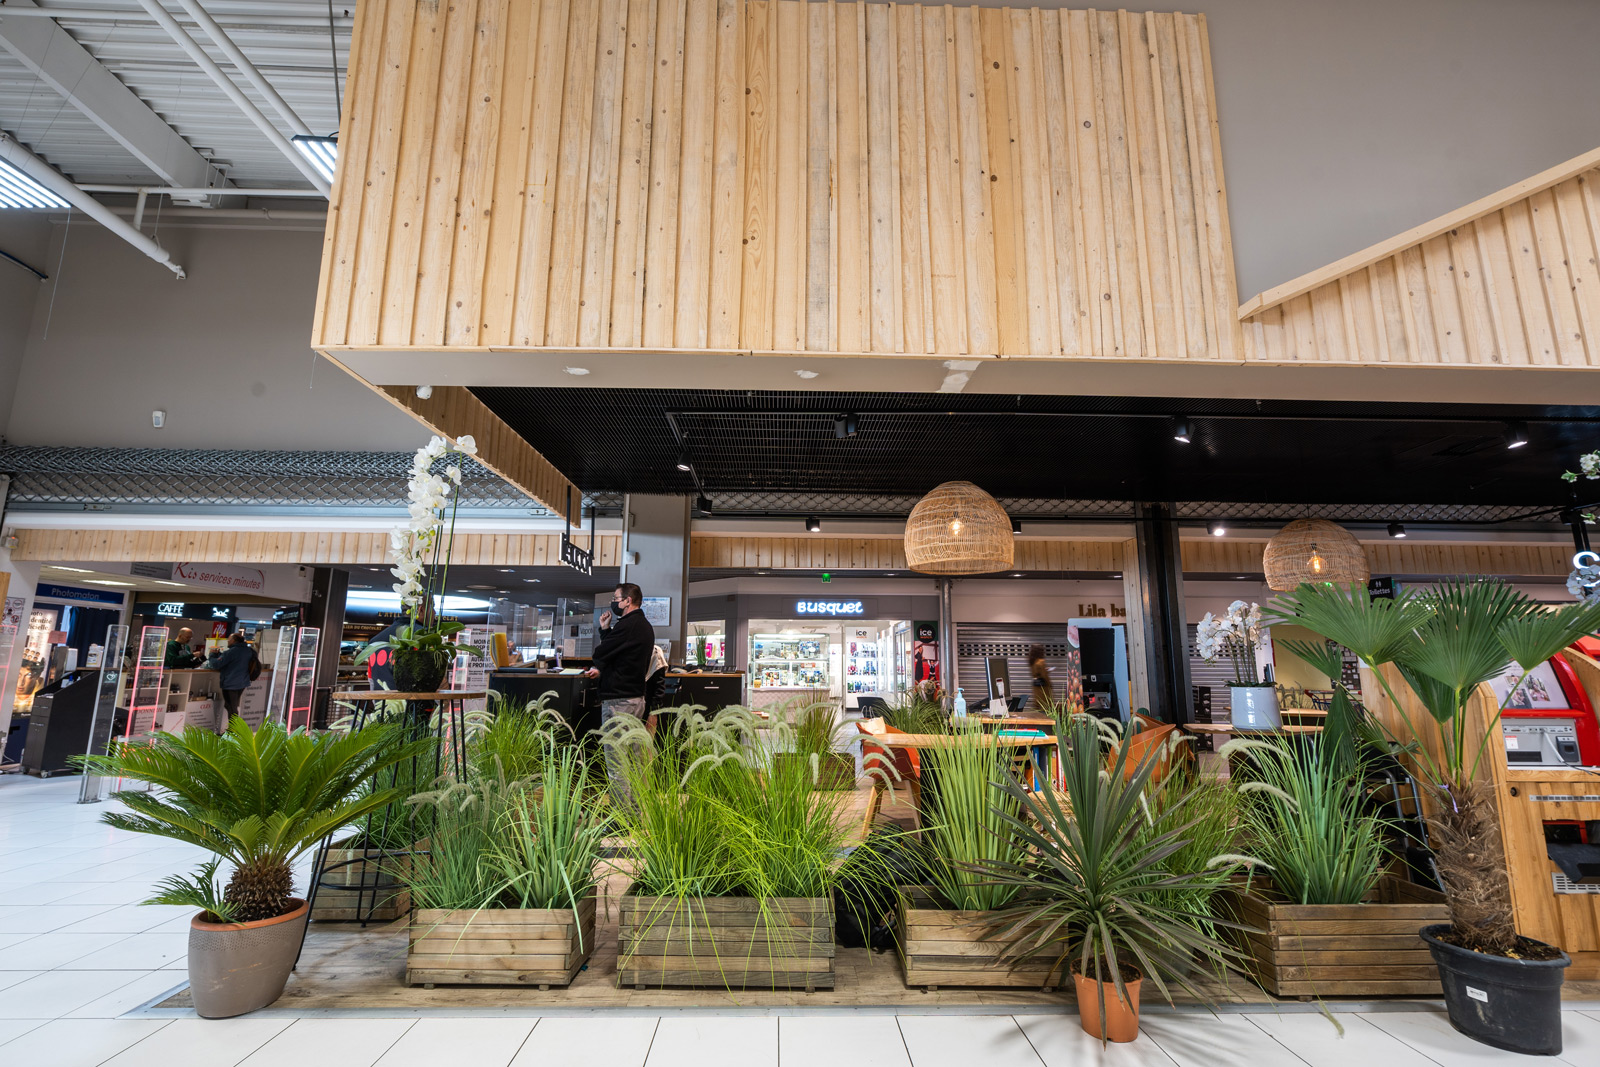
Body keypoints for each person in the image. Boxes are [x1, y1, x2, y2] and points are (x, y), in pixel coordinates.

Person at [585, 583, 655, 799]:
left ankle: (621, 815)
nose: (614, 603)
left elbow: (601, 653)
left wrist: (604, 640)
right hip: (636, 699)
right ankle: (634, 810)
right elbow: (619, 654)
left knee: (617, 763)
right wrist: (606, 629)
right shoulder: (644, 625)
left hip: (619, 701)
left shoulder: (628, 625)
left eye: (616, 599)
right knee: (632, 761)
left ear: (628, 601)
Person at [206, 632, 259, 720]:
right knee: (231, 706)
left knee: (231, 708)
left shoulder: (231, 652)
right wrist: (219, 655)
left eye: (229, 639)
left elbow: (216, 664)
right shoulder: (249, 651)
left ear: (233, 640)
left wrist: (212, 655)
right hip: (243, 682)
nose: (227, 641)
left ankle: (233, 727)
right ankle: (233, 726)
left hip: (231, 683)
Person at [1028, 643, 1052, 710]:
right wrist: (1049, 684)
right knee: (1046, 706)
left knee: (1037, 705)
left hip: (1036, 687)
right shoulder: (1041, 661)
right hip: (1043, 687)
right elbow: (1044, 675)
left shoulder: (1032, 661)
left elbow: (1036, 672)